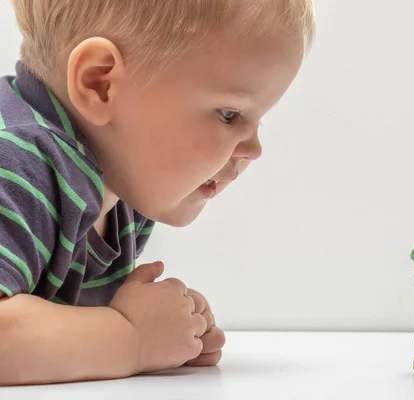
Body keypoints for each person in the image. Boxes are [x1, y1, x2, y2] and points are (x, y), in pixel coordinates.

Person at [0, 0, 314, 385]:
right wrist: (131, 337)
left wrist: (165, 323)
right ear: (99, 83)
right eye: (230, 114)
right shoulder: (16, 160)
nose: (254, 149)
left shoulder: (123, 184)